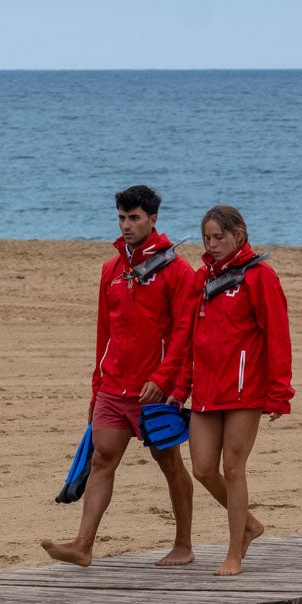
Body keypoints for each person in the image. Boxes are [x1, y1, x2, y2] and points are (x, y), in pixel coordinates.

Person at [41, 185, 196, 567]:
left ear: (153, 219)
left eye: (134, 218)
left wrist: (166, 380)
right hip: (113, 387)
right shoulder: (111, 270)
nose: (126, 225)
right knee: (102, 462)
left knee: (170, 463)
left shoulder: (176, 270)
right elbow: (103, 334)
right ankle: (83, 545)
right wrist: (96, 389)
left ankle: (184, 545)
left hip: (154, 391)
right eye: (122, 218)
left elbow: (184, 333)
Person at [179, 205, 293, 576]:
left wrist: (279, 393)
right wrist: (181, 384)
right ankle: (250, 525)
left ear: (239, 235)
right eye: (206, 238)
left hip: (245, 390)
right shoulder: (202, 279)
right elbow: (189, 338)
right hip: (206, 390)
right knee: (203, 469)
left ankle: (234, 554)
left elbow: (278, 338)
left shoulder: (260, 277)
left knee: (234, 467)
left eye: (218, 237)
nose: (211, 245)